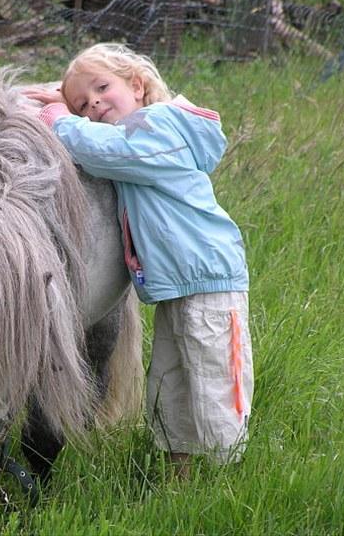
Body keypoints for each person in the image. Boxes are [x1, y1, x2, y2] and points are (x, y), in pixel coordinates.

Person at [23, 43, 253, 475]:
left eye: (102, 87)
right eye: (81, 102)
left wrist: (59, 118)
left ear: (138, 84)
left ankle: (226, 480)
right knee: (173, 385)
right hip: (178, 286)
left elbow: (105, 150)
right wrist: (69, 110)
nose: (92, 103)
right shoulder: (134, 131)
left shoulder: (159, 126)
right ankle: (181, 479)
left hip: (210, 281)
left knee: (215, 385)